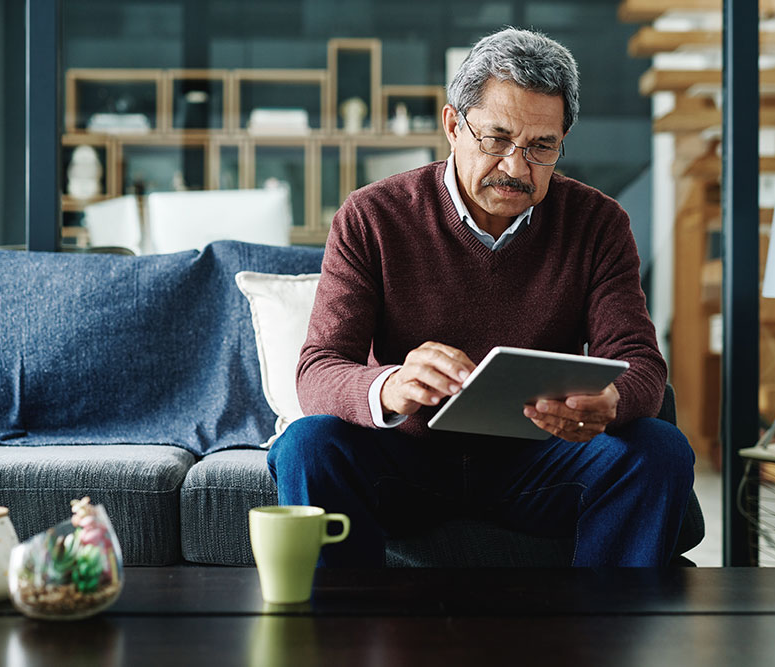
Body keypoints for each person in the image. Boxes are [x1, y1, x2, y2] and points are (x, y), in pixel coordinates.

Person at [267, 27, 695, 567]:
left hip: (540, 465)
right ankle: (344, 639)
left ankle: (604, 633)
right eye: (497, 139)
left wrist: (611, 404)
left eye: (542, 147)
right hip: (405, 465)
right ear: (453, 125)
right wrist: (389, 386)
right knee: (308, 443)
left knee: (659, 449)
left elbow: (640, 364)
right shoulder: (371, 215)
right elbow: (318, 369)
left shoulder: (598, 224)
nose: (517, 168)